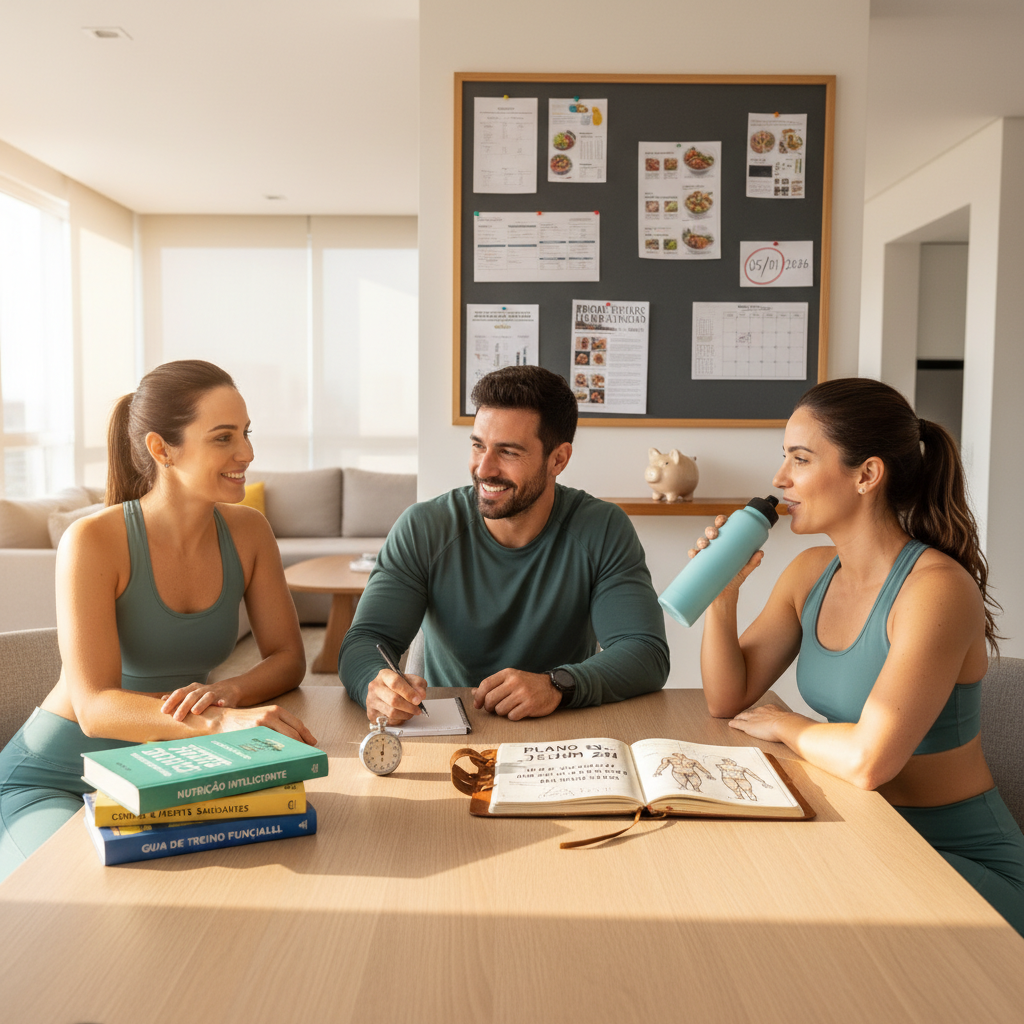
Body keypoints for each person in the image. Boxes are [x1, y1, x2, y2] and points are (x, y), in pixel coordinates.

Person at [696, 377, 1024, 934]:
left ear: (867, 474)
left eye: (800, 459)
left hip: (961, 866)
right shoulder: (809, 573)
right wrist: (721, 596)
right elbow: (727, 698)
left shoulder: (934, 589)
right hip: (871, 835)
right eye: (785, 458)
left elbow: (870, 761)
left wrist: (788, 724)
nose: (780, 480)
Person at [0, 360, 315, 882]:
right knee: (77, 898)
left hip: (165, 774)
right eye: (223, 437)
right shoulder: (93, 541)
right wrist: (219, 721)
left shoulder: (249, 532)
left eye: (246, 433)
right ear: (161, 449)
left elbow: (288, 657)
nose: (247, 453)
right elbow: (95, 707)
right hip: (55, 779)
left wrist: (231, 693)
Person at [339, 365, 669, 723]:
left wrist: (557, 685)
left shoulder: (602, 528)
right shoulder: (424, 527)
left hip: (562, 728)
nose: (484, 468)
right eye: (479, 446)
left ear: (558, 459)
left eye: (508, 452)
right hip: (448, 726)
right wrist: (375, 684)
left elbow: (645, 652)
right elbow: (366, 640)